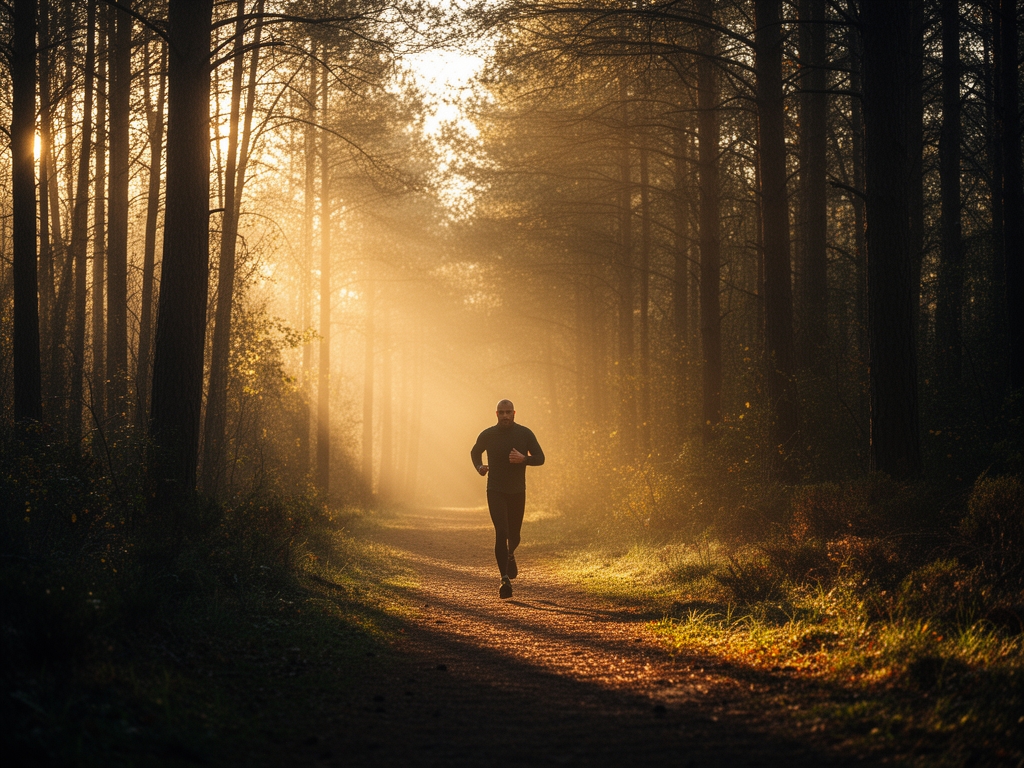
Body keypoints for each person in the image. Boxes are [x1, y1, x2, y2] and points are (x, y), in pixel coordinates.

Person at [470, 399, 545, 599]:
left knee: (515, 536)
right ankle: (504, 580)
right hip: (495, 489)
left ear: (514, 413)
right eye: (501, 412)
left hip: (517, 491)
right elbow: (475, 452)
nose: (505, 415)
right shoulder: (487, 434)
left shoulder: (524, 433)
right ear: (496, 414)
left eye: (508, 412)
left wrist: (524, 459)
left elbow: (541, 458)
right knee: (501, 531)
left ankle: (511, 554)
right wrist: (479, 467)